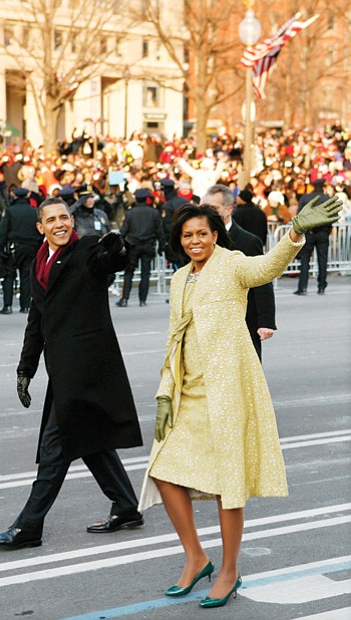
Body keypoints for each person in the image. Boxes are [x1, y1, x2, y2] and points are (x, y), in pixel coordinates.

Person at [138, 197, 341, 609]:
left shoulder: (232, 263)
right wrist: (164, 392)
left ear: (215, 235)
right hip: (187, 391)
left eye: (202, 233)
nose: (195, 240)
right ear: (180, 240)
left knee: (227, 483)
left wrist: (295, 232)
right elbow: (174, 338)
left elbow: (267, 267)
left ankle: (229, 570)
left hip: (228, 388)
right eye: (188, 235)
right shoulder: (179, 279)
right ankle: (196, 558)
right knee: (162, 471)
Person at [0, 197, 143, 550]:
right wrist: (26, 369)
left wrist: (118, 246)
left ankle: (28, 527)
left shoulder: (86, 250)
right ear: (40, 227)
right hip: (64, 369)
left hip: (88, 366)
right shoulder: (39, 262)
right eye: (51, 219)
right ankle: (127, 507)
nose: (60, 223)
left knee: (56, 445)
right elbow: (36, 320)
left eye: (65, 217)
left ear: (72, 221)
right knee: (90, 441)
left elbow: (111, 260)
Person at [203, 185, 276, 360]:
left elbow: (262, 279)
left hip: (243, 319)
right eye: (204, 207)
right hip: (209, 319)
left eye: (213, 208)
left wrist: (265, 321)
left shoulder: (248, 241)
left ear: (228, 209)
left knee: (247, 370)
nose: (206, 213)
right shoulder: (199, 241)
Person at [0, 187, 43, 314]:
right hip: (31, 247)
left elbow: (3, 231)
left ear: (15, 196)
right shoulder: (34, 212)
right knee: (26, 276)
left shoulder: (10, 211)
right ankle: (25, 306)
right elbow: (40, 231)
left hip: (14, 247)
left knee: (9, 275)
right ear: (28, 195)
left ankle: (8, 305)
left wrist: (1, 248)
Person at [116, 188, 165, 307]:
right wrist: (161, 246)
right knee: (145, 273)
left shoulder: (130, 213)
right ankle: (142, 300)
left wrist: (119, 245)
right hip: (148, 245)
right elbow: (159, 231)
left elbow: (123, 231)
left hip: (133, 245)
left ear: (136, 198)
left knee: (129, 273)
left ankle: (125, 299)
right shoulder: (154, 212)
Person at [294, 179, 332, 295]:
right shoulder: (327, 199)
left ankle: (303, 287)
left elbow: (300, 215)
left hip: (309, 232)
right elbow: (332, 216)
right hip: (323, 232)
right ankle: (321, 286)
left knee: (305, 259)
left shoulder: (305, 198)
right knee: (322, 259)